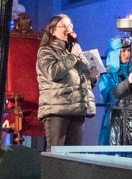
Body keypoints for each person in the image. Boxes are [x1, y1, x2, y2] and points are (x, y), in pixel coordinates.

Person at [37, 13, 98, 148]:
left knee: (73, 156)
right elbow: (53, 73)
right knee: (56, 154)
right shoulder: (46, 51)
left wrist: (92, 78)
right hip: (57, 110)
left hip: (77, 110)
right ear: (53, 31)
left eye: (70, 25)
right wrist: (72, 57)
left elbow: (79, 81)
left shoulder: (74, 51)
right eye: (63, 26)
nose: (68, 28)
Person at [96, 38, 132, 145]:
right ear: (115, 53)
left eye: (129, 50)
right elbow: (111, 95)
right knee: (115, 155)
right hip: (115, 121)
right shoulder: (107, 75)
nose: (127, 54)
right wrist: (128, 82)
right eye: (123, 51)